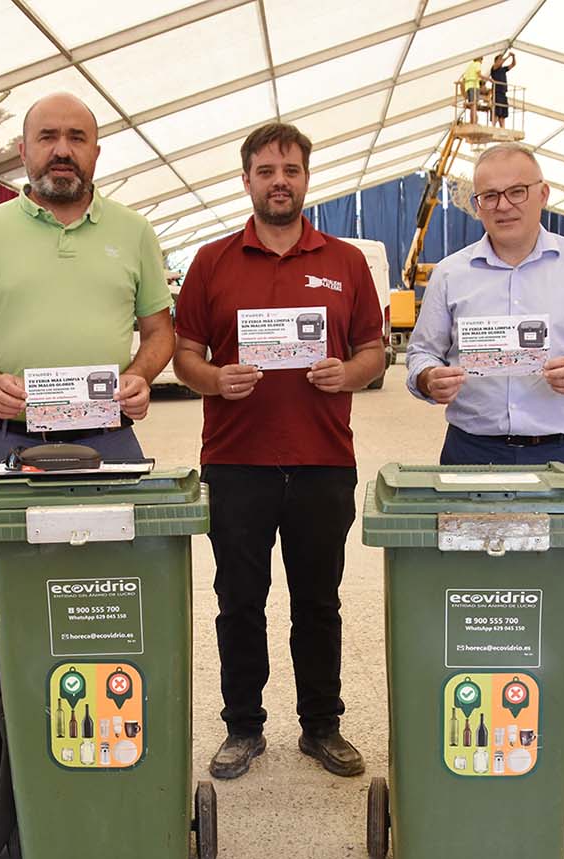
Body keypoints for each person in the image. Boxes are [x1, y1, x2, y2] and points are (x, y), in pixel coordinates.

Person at [406, 143, 564, 773]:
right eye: (488, 196)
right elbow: (421, 354)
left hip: (561, 457)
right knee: (468, 592)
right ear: (476, 204)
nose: (503, 205)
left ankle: (561, 719)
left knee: (555, 593)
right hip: (471, 453)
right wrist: (430, 380)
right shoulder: (451, 274)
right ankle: (468, 710)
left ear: (543, 194)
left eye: (516, 192)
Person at [0, 93, 175, 711]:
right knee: (10, 597)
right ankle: (8, 735)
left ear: (97, 151)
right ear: (23, 150)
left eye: (76, 137)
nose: (62, 150)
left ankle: (108, 725)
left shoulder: (133, 231)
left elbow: (160, 332)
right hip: (11, 446)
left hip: (109, 445)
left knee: (111, 592)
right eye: (48, 137)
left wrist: (140, 376)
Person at [173, 123, 385, 780]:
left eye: (291, 170)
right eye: (266, 171)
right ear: (246, 180)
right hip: (237, 462)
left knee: (318, 601)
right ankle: (243, 726)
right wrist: (215, 380)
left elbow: (373, 351)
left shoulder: (346, 261)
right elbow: (185, 355)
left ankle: (322, 725)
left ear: (307, 178)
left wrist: (348, 374)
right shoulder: (211, 261)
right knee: (239, 600)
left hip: (323, 461)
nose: (279, 182)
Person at [490, 50, 517, 128]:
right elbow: (499, 63)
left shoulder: (503, 69)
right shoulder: (494, 68)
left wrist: (513, 57)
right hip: (497, 93)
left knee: (503, 113)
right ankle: (493, 127)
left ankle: (502, 128)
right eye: (500, 59)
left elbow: (513, 64)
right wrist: (507, 56)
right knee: (496, 111)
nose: (502, 60)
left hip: (503, 93)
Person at [461, 57, 484, 124]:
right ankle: (473, 122)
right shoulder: (477, 64)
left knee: (473, 105)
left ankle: (473, 121)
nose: (482, 61)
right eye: (481, 59)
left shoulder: (470, 66)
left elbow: (464, 79)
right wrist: (489, 79)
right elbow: (479, 74)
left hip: (468, 86)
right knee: (474, 104)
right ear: (479, 59)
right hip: (474, 85)